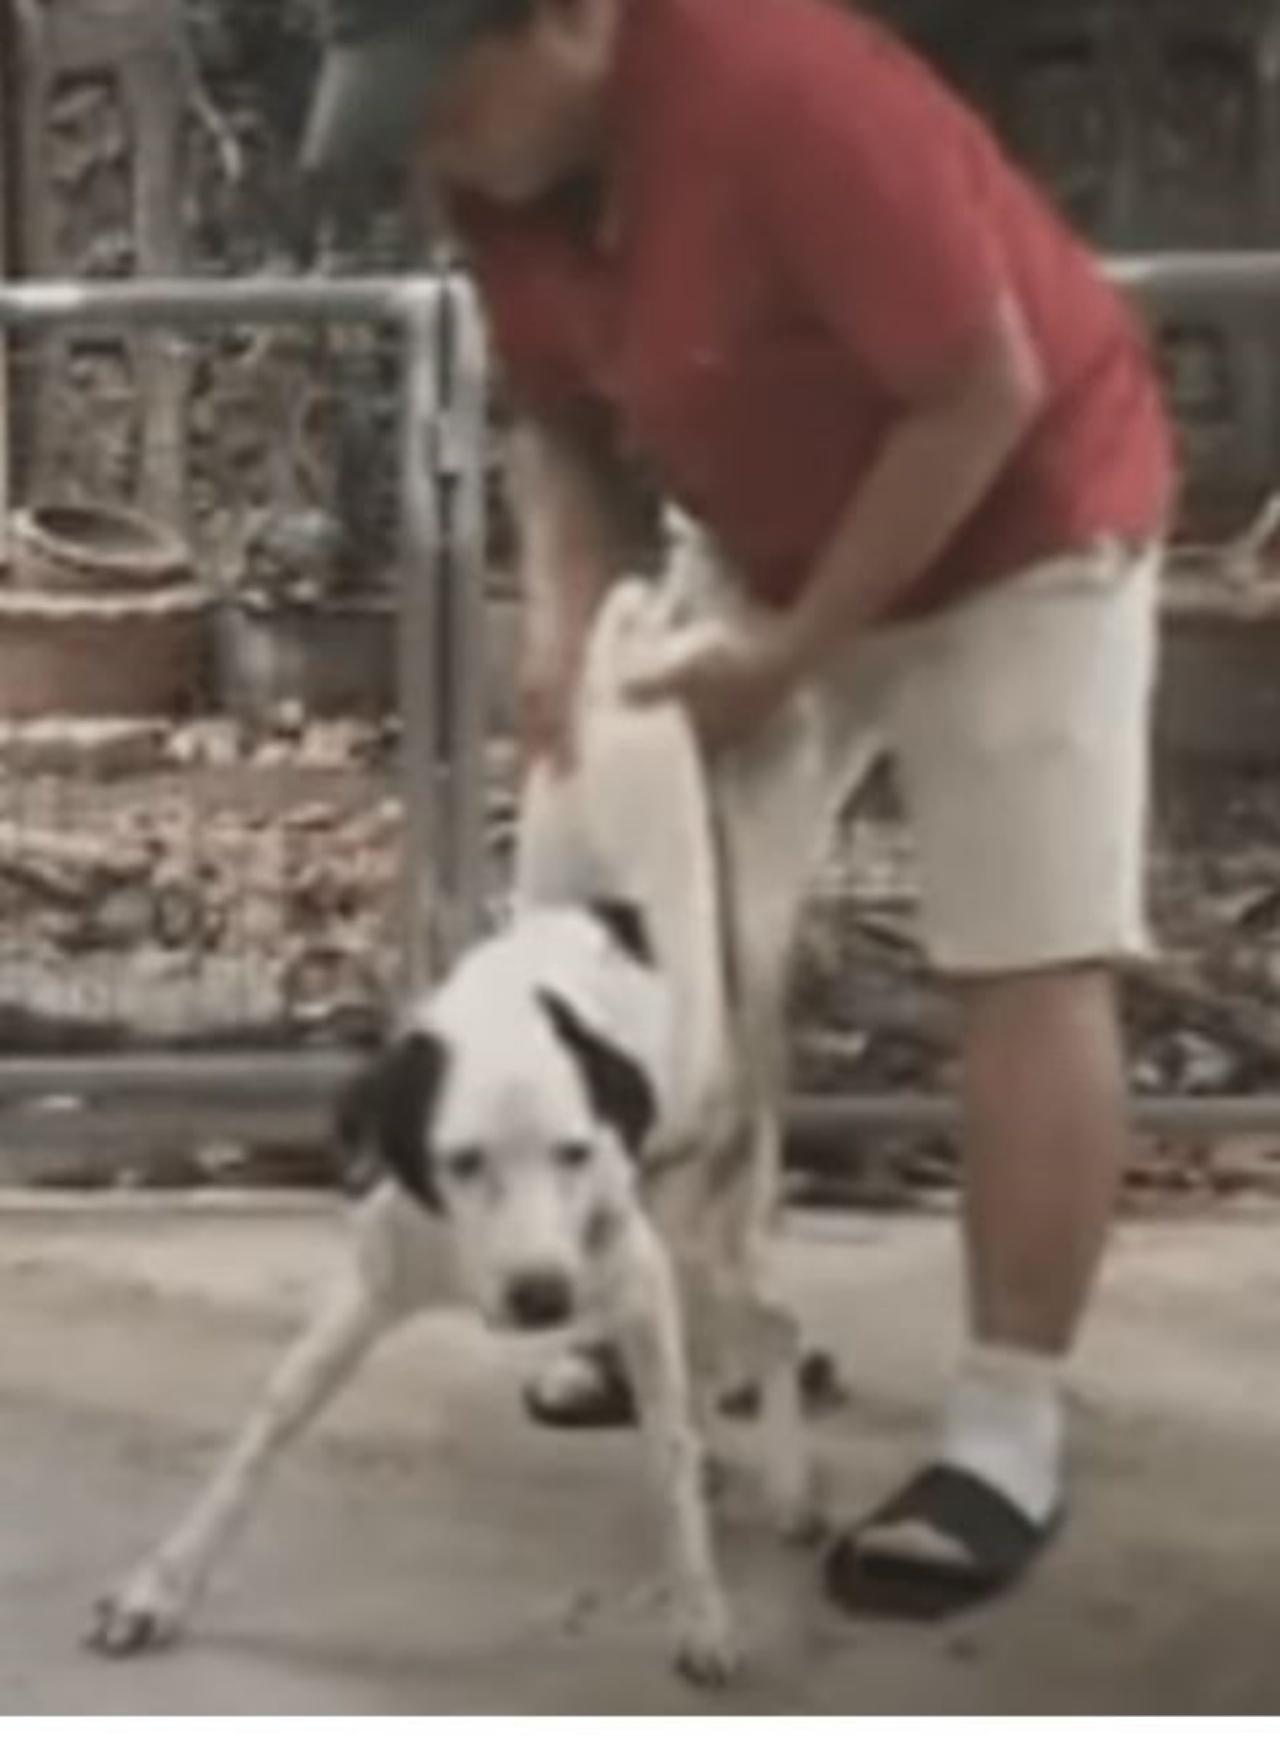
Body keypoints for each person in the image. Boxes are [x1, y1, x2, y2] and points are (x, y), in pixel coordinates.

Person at [300, 0, 1176, 1619]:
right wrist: (569, 619)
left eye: (444, 94)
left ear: (569, 19)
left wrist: (796, 653)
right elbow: (564, 418)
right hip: (762, 533)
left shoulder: (782, 87)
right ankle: (686, 1319)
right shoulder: (497, 169)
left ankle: (1005, 1431)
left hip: (1023, 520)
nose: (431, 143)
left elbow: (976, 389)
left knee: (1024, 948)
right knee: (645, 931)